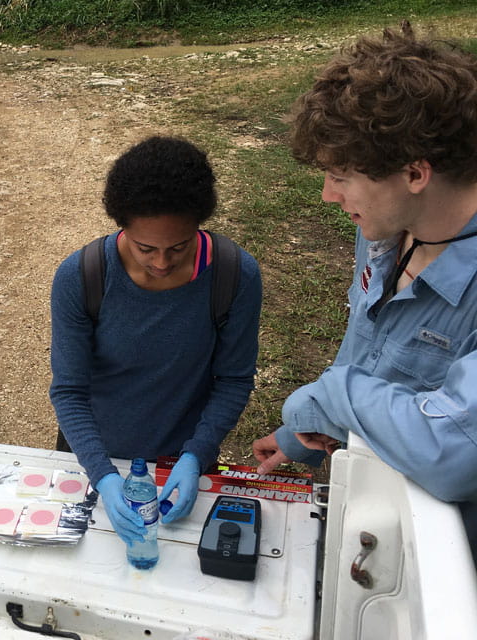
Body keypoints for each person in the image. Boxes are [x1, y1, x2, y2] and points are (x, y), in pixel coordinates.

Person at [251, 24, 477, 562]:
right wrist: (309, 431)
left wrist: (330, 398)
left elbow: (456, 452)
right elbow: (371, 347)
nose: (329, 196)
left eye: (341, 176)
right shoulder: (386, 228)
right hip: (377, 512)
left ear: (415, 172)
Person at [50, 136, 262, 545]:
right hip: (94, 458)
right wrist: (104, 476)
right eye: (146, 248)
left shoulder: (234, 276)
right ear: (121, 225)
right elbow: (70, 391)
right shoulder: (81, 277)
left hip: (181, 464)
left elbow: (234, 380)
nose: (162, 263)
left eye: (179, 247)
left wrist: (196, 456)